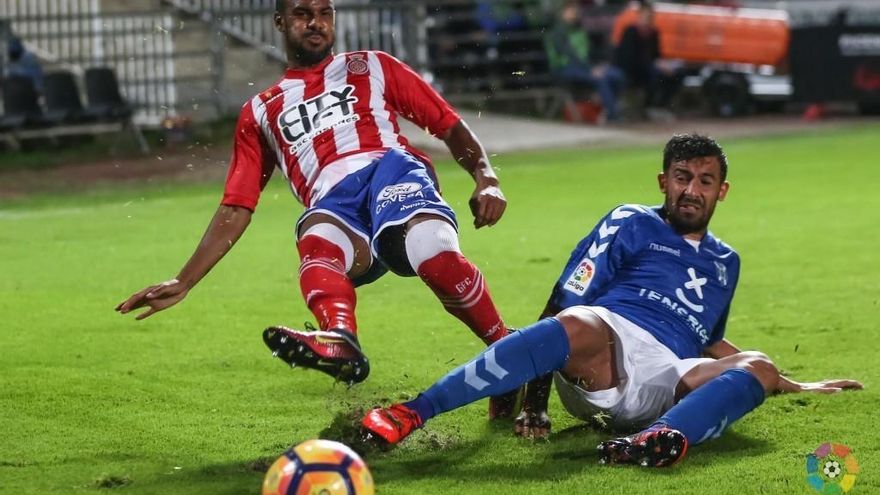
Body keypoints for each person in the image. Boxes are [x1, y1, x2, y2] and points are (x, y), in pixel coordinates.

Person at [116, 0, 520, 418]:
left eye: (325, 12)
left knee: (430, 251)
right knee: (316, 237)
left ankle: (510, 355)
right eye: (302, 13)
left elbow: (447, 123)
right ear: (279, 22)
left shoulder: (372, 65)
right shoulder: (260, 111)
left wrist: (486, 177)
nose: (316, 23)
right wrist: (184, 280)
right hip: (336, 206)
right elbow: (237, 205)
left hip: (391, 170)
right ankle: (340, 339)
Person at [361, 134, 863, 467]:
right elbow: (562, 302)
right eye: (682, 177)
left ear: (721, 191)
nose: (691, 190)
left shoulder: (726, 262)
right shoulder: (632, 221)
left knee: (758, 363)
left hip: (669, 375)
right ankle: (414, 412)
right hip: (606, 352)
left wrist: (789, 381)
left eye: (704, 181)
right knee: (581, 318)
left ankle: (651, 441)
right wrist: (535, 405)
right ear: (664, 182)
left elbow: (709, 341)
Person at [545, 1, 624, 122]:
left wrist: (601, 64)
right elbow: (570, 54)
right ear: (562, 13)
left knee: (618, 75)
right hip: (565, 69)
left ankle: (608, 108)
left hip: (585, 66)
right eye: (570, 11)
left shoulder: (580, 29)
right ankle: (612, 115)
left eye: (575, 11)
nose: (574, 14)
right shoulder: (557, 32)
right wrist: (591, 69)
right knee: (600, 79)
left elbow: (590, 51)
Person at [612, 0, 681, 120]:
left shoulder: (654, 32)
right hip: (633, 70)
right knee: (655, 73)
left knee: (676, 74)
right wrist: (654, 64)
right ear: (639, 14)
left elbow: (656, 55)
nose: (647, 17)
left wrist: (663, 64)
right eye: (645, 14)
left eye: (650, 14)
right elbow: (628, 57)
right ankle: (649, 106)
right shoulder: (631, 31)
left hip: (649, 67)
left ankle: (662, 105)